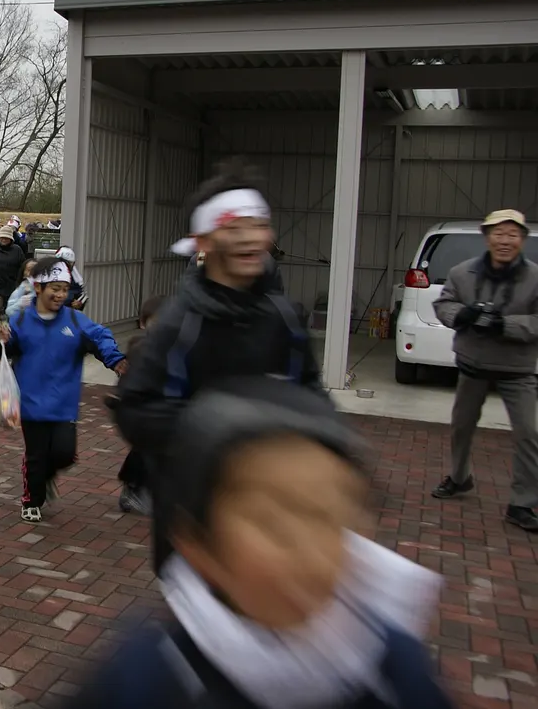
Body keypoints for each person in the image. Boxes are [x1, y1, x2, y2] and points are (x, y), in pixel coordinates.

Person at [62, 377, 451, 709]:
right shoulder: (146, 680)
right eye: (274, 522)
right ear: (197, 544)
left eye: (334, 518)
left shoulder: (397, 668)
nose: (311, 551)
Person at [117, 160, 322, 573]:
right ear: (205, 242)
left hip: (270, 512)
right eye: (234, 227)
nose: (250, 238)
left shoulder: (285, 317)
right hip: (193, 517)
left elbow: (312, 393)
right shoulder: (178, 323)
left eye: (258, 225)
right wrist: (219, 431)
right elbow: (135, 407)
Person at [0, 257, 125, 523]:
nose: (61, 294)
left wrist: (116, 360)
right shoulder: (20, 320)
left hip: (64, 403)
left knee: (64, 454)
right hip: (30, 403)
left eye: (64, 288)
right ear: (38, 287)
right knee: (36, 455)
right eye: (55, 288)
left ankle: (45, 478)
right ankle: (31, 500)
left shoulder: (75, 320)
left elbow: (100, 336)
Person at [430, 209, 538, 532]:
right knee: (461, 426)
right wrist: (461, 315)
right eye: (498, 233)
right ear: (486, 235)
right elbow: (443, 303)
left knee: (529, 434)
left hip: (517, 369)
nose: (505, 240)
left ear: (522, 238)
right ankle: (460, 478)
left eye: (512, 234)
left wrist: (506, 324)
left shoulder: (535, 277)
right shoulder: (462, 273)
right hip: (472, 364)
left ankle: (522, 503)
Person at [105, 295, 164, 515]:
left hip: (160, 410)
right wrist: (120, 397)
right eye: (155, 323)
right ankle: (132, 488)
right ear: (143, 323)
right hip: (140, 410)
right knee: (145, 451)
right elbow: (127, 381)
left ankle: (140, 487)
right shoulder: (140, 347)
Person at [0, 226, 25, 317]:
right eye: (2, 237)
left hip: (12, 285)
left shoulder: (17, 250)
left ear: (11, 239)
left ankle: (9, 328)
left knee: (11, 310)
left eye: (6, 237)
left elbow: (22, 267)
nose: (4, 239)